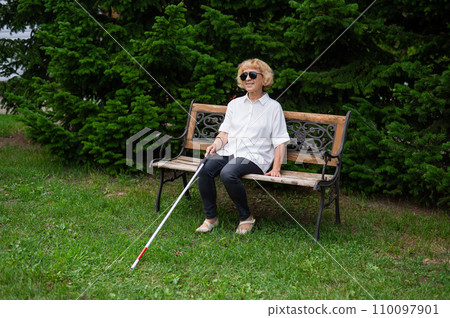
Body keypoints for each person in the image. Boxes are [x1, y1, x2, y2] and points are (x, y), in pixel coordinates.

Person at [195, 58, 290, 234]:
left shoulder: (273, 107)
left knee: (228, 172)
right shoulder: (235, 104)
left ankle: (246, 217)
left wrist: (276, 168)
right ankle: (211, 218)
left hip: (255, 156)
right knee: (204, 168)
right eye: (244, 75)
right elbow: (225, 134)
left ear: (264, 78)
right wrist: (216, 145)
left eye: (252, 74)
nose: (248, 78)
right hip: (230, 151)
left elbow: (280, 140)